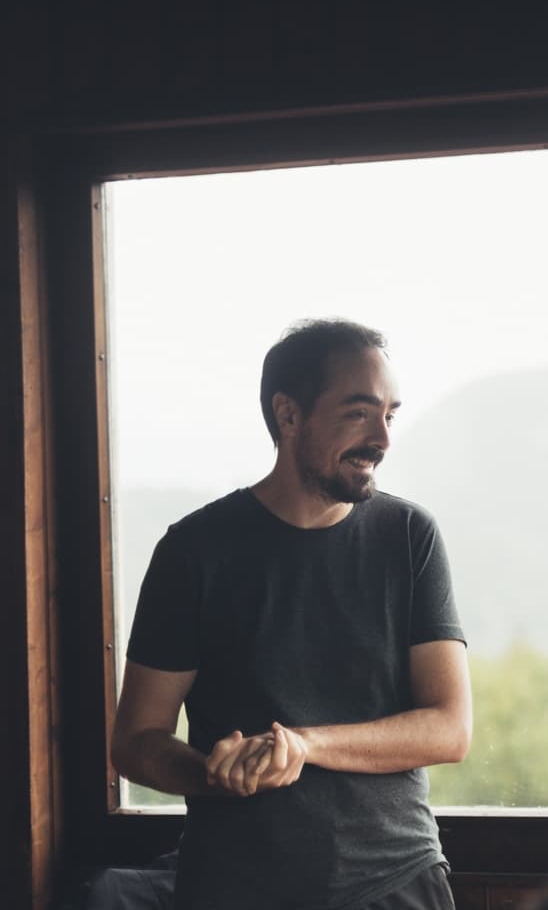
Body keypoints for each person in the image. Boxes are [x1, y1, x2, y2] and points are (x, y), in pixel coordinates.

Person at [111, 319, 471, 910]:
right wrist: (215, 773)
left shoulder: (410, 537)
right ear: (289, 415)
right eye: (359, 413)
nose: (382, 438)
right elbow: (135, 741)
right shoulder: (192, 551)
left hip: (396, 879)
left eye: (390, 414)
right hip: (232, 886)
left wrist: (304, 744)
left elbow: (450, 728)